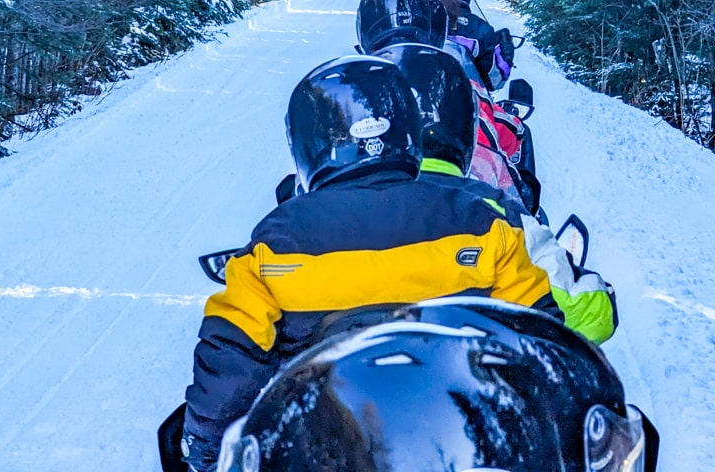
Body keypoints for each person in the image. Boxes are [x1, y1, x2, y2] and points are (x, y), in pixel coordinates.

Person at [174, 55, 562, 472]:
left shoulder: (275, 244)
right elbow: (542, 337)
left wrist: (205, 445)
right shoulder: (483, 226)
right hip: (463, 440)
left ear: (307, 144)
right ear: (409, 130)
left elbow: (231, 358)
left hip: (326, 445)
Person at [216, 297, 658, 472]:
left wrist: (203, 439)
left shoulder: (279, 234)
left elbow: (227, 352)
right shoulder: (492, 218)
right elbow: (546, 309)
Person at [377, 40, 617, 346]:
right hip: (469, 383)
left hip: (337, 389)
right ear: (462, 124)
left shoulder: (309, 220)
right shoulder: (502, 219)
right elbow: (589, 316)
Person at [357, 0, 532, 209]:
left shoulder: (355, 91)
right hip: (460, 206)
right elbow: (511, 133)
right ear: (434, 33)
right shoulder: (463, 88)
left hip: (374, 209)